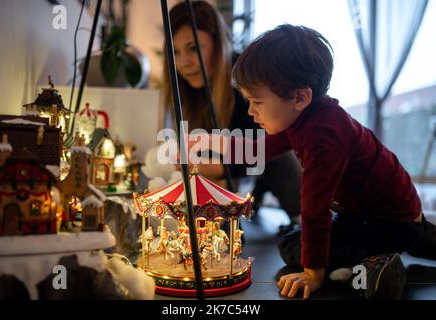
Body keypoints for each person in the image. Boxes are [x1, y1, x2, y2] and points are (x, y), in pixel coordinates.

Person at [190, 23, 436, 300]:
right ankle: (383, 252)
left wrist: (313, 274)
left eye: (256, 101)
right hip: (369, 217)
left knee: (302, 249)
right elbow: (259, 151)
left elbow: (314, 208)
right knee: (294, 244)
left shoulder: (324, 134)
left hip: (391, 223)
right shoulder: (303, 118)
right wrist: (211, 142)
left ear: (300, 97)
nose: (251, 111)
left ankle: (378, 264)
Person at [162, 0, 302, 227]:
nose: (184, 63)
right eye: (175, 52)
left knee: (277, 154)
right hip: (236, 161)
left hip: (271, 155)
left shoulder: (246, 78)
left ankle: (302, 219)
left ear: (218, 44)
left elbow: (265, 148)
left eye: (194, 48)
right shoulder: (188, 88)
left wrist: (217, 168)